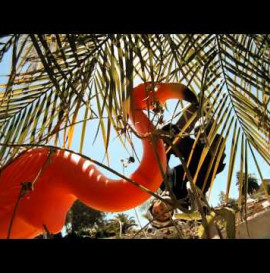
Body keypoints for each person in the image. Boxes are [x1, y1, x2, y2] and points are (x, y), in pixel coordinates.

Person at [147, 102, 226, 228]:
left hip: (192, 154)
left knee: (166, 134)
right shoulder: (187, 204)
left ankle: (197, 108)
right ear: (171, 214)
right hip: (211, 159)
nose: (162, 210)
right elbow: (201, 213)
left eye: (156, 211)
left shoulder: (161, 183)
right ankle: (204, 126)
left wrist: (161, 142)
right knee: (202, 129)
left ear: (154, 204)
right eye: (164, 215)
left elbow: (162, 163)